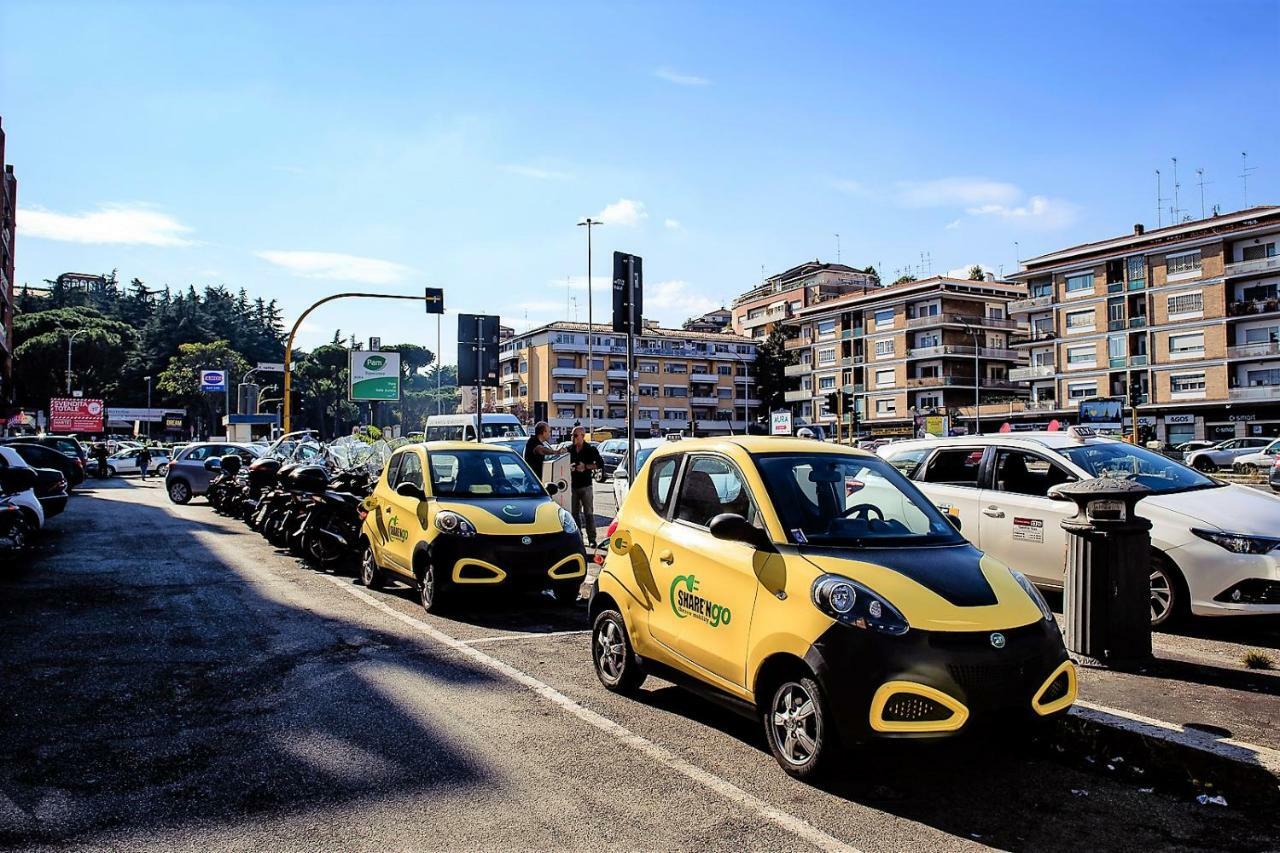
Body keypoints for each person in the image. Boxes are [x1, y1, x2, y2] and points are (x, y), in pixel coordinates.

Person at [567, 426, 603, 547]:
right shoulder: (569, 449)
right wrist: (569, 468)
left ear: (582, 436)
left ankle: (592, 539)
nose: (573, 438)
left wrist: (586, 467)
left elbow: (599, 464)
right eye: (572, 435)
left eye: (575, 435)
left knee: (588, 513)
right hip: (572, 486)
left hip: (586, 485)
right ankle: (578, 538)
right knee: (574, 514)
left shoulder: (590, 449)